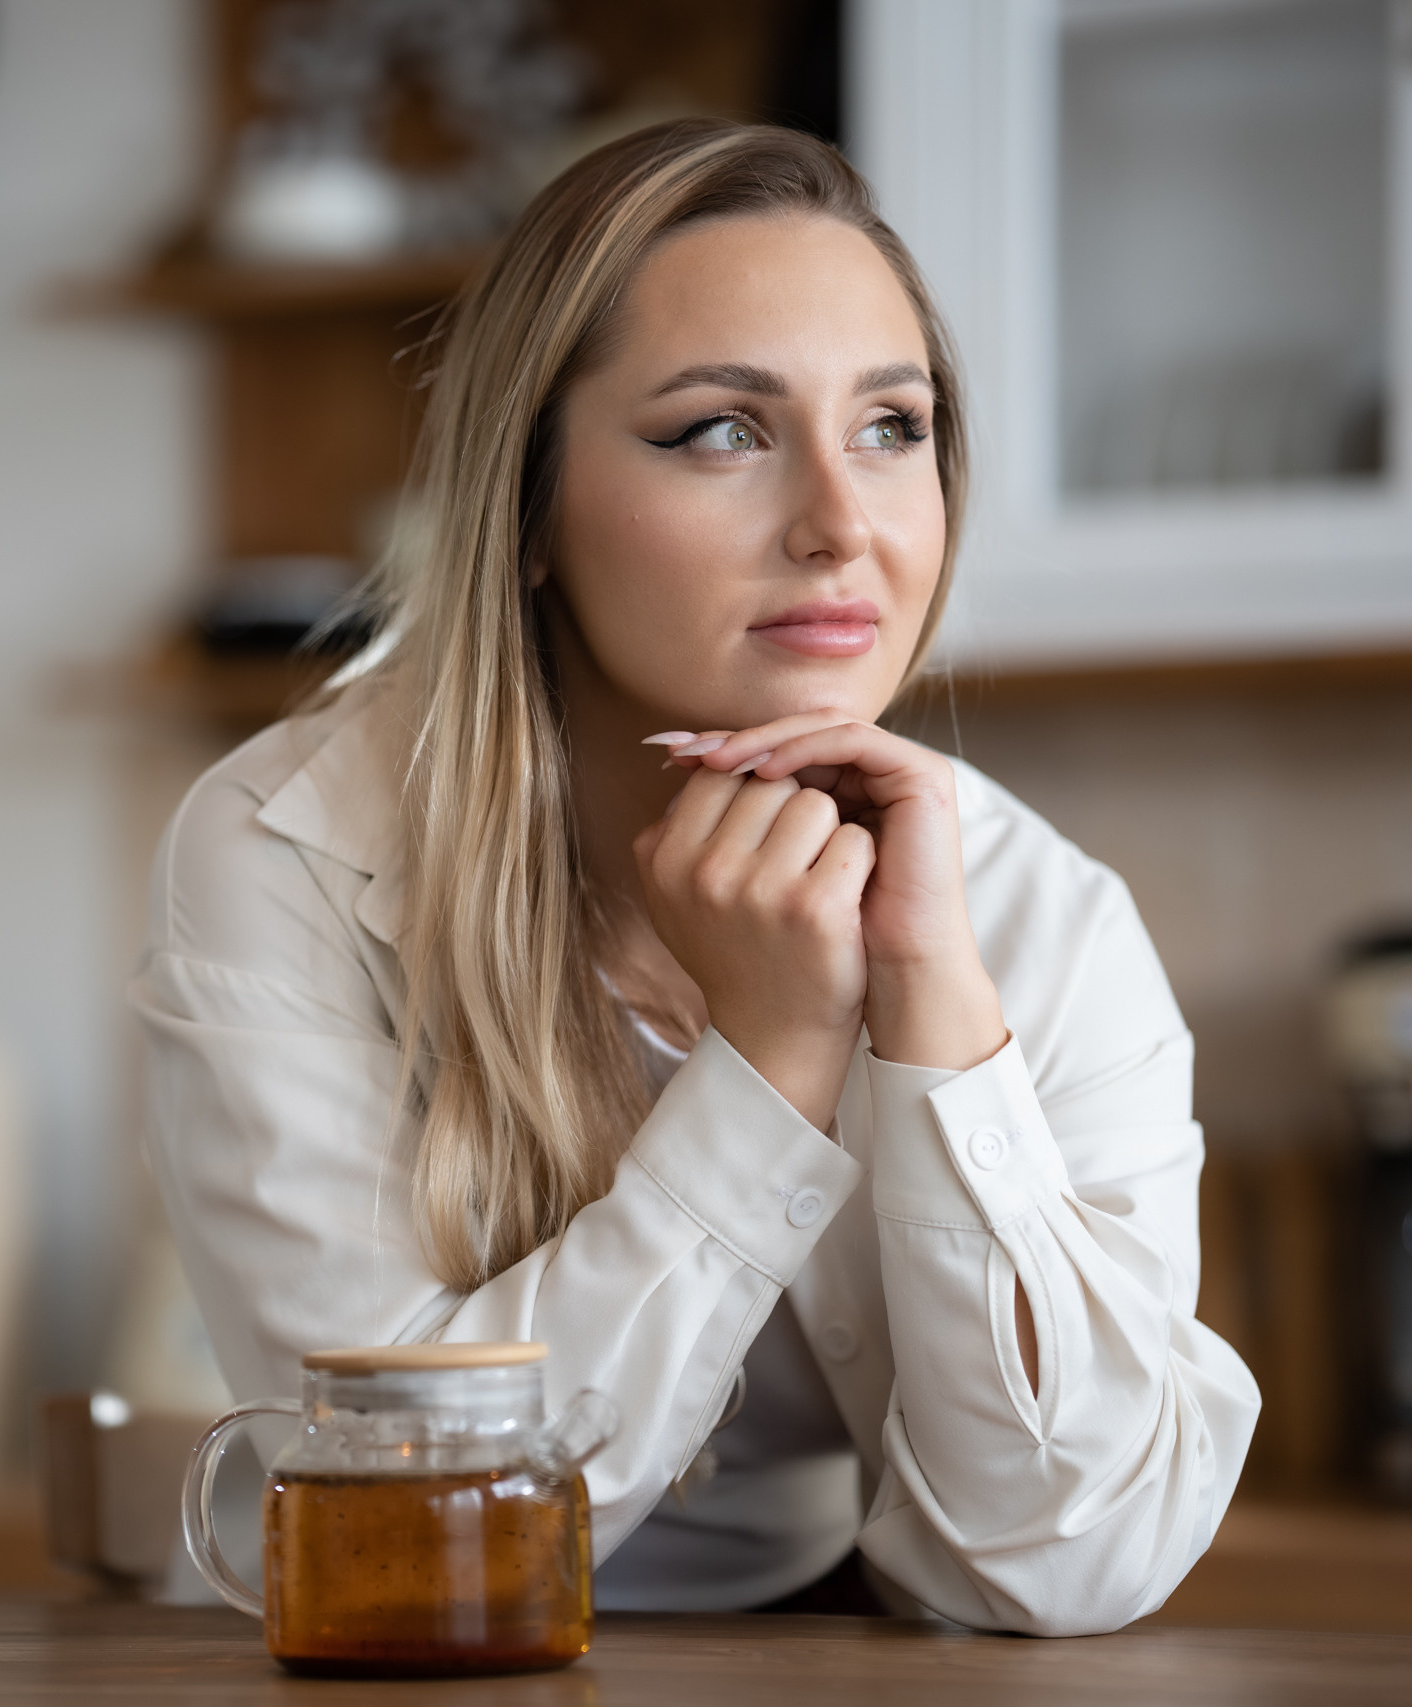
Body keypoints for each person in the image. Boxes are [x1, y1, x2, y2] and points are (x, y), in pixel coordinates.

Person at [131, 119, 1259, 1635]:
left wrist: (934, 1009)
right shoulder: (287, 851)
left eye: (893, 427)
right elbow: (407, 1528)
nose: (842, 526)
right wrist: (772, 1061)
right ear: (527, 506)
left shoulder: (1036, 913)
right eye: (723, 430)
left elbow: (1069, 1558)